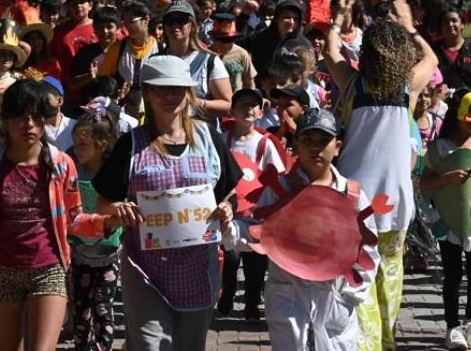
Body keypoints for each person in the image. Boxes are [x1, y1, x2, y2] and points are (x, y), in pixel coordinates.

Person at [92, 55, 241, 351]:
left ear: (189, 93)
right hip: (145, 269)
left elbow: (229, 192)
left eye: (176, 89)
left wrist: (227, 209)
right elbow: (103, 202)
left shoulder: (208, 137)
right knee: (150, 345)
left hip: (197, 269)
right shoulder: (131, 144)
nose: (169, 96)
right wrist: (116, 211)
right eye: (160, 89)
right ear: (147, 92)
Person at [0, 80, 112, 351]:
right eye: (20, 117)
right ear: (5, 122)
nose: (28, 124)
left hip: (50, 268)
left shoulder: (62, 165)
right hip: (1, 271)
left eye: (36, 117)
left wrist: (107, 223)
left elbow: (73, 220)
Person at [325, 0, 438, 351]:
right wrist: (409, 28)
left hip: (353, 198)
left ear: (368, 52)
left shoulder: (353, 83)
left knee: (359, 277)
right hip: (395, 197)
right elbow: (432, 60)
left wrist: (338, 21)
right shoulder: (407, 87)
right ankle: (386, 342)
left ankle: (367, 344)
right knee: (390, 275)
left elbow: (330, 53)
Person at [224, 108, 379, 350]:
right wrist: (229, 228)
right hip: (290, 293)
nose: (315, 148)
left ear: (337, 146)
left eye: (323, 141)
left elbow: (369, 252)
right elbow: (257, 232)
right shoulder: (280, 189)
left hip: (334, 299)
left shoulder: (353, 195)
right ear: (296, 144)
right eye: (307, 140)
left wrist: (349, 297)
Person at [420, 89, 471, 349]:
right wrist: (448, 177)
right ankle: (452, 326)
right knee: (452, 274)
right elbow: (426, 183)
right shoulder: (439, 148)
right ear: (457, 114)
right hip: (448, 218)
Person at [217, 88, 286, 323]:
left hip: (256, 211)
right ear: (232, 111)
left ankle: (252, 302)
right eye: (242, 105)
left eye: (253, 105)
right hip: (229, 211)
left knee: (255, 260)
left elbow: (277, 176)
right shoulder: (223, 140)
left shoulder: (265, 143)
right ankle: (227, 293)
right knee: (231, 257)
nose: (248, 109)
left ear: (260, 111)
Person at [69, 103, 123, 351]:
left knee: (103, 307)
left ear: (101, 146)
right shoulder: (71, 171)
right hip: (78, 254)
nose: (77, 150)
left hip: (108, 254)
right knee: (80, 311)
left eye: (83, 145)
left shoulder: (115, 172)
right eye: (76, 144)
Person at [160, 1, 232, 117]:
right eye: (169, 21)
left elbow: (228, 106)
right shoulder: (155, 61)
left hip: (200, 130)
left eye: (181, 20)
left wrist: (195, 103)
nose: (175, 25)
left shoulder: (210, 62)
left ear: (192, 26)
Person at [49, 0, 97, 104]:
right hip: (66, 95)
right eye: (74, 3)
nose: (78, 6)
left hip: (93, 93)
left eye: (82, 2)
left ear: (90, 5)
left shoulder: (99, 28)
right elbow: (52, 58)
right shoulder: (59, 30)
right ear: (69, 7)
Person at [241, 0, 312, 79]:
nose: (292, 22)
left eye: (295, 19)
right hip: (262, 87)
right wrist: (244, 15)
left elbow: (308, 74)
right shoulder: (260, 37)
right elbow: (240, 43)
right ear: (276, 19)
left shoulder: (303, 44)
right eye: (287, 17)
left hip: (289, 90)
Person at [433, 6, 471, 89]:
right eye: (445, 22)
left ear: (462, 24)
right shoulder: (434, 50)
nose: (450, 24)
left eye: (454, 20)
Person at [209, 13, 257, 91]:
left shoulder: (242, 53)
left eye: (230, 45)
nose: (226, 48)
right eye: (222, 45)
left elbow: (250, 83)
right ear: (214, 39)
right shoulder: (206, 54)